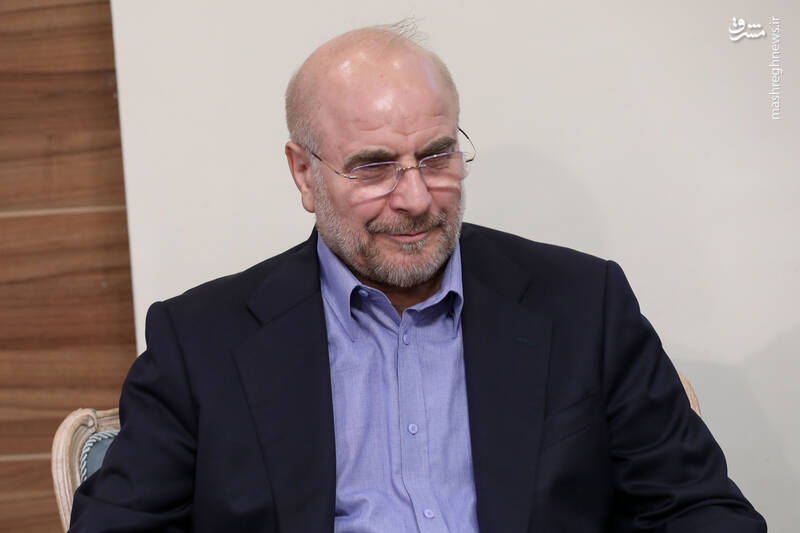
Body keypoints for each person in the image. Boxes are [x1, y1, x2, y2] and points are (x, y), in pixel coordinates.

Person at [69, 21, 767, 533]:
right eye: (374, 167)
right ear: (304, 173)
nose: (415, 197)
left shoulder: (585, 306)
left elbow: (701, 509)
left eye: (436, 156)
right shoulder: (202, 343)